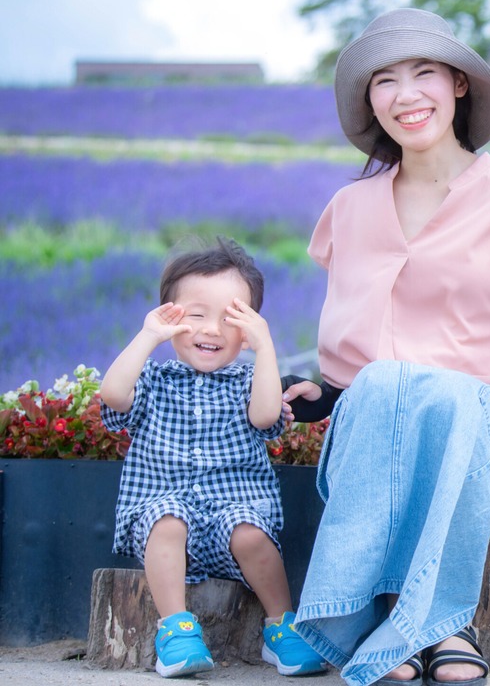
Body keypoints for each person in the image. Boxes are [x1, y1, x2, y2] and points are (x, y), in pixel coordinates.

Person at [278, 8, 490, 686]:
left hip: (488, 423)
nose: (405, 95)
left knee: (444, 395)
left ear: (459, 85)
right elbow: (353, 357)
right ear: (370, 102)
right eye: (384, 81)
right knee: (387, 384)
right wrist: (317, 395)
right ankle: (409, 623)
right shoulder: (348, 210)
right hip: (376, 422)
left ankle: (428, 621)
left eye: (423, 73)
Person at [100, 238, 325, 679]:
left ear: (249, 329)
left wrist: (265, 349)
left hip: (232, 513)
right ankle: (177, 629)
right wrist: (147, 337)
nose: (211, 330)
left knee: (251, 533)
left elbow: (265, 417)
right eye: (196, 315)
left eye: (231, 318)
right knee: (168, 519)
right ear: (171, 319)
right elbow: (113, 395)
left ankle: (281, 627)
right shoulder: (155, 378)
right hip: (162, 512)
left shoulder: (247, 380)